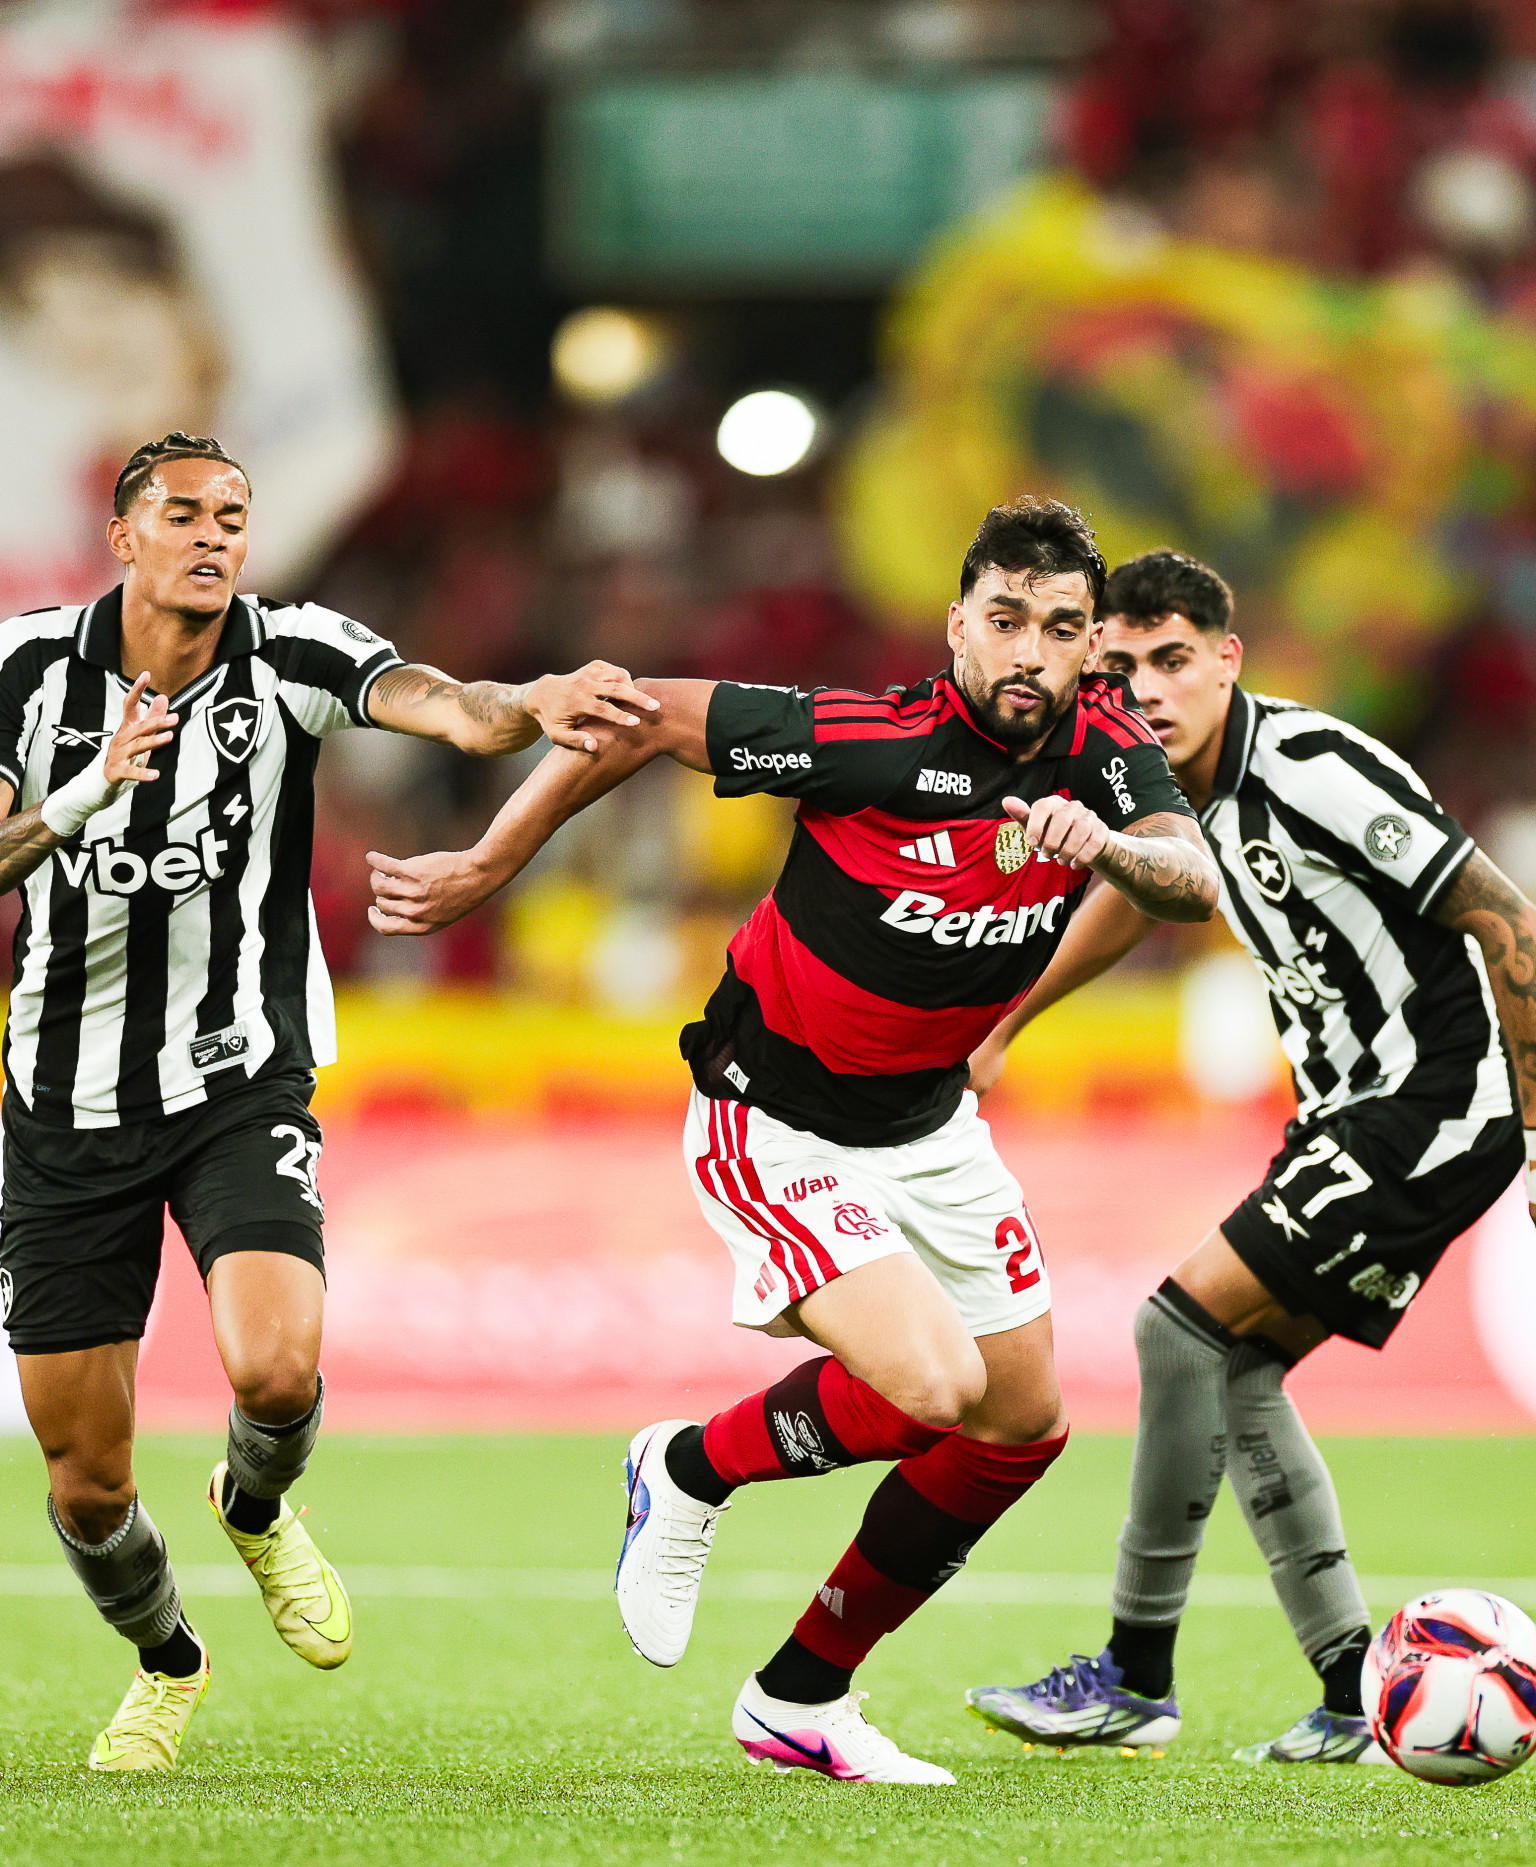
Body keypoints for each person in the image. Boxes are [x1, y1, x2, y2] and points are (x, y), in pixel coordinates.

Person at [365, 497, 1219, 1782]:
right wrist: (491, 863)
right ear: (958, 626)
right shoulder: (870, 739)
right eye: (1005, 621)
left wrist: (1107, 843)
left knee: (1021, 1423)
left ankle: (800, 1698)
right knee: (936, 1391)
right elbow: (640, 717)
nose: (1030, 653)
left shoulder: (1106, 747)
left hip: (930, 1124)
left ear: (1092, 642)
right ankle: (685, 1468)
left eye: (1059, 628)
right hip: (777, 1115)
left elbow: (1190, 875)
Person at [0, 429, 655, 1771]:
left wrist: (529, 701)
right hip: (64, 1105)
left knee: (276, 1367)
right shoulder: (23, 670)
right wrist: (83, 795)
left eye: (232, 516)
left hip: (239, 1077)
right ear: (122, 536)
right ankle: (168, 1661)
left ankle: (254, 1507)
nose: (213, 536)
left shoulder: (293, 651)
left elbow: (452, 707)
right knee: (88, 1483)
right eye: (184, 514)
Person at [963, 549, 1533, 1764]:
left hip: (1430, 1107)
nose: (1147, 689)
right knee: (1238, 1368)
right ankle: (1350, 1690)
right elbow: (1143, 891)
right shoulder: (1173, 795)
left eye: (1173, 659)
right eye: (1121, 668)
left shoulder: (1312, 767)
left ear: (1227, 659)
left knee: (1176, 1328)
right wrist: (1010, 1022)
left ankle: (1134, 1676)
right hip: (1345, 1119)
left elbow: (1507, 917)